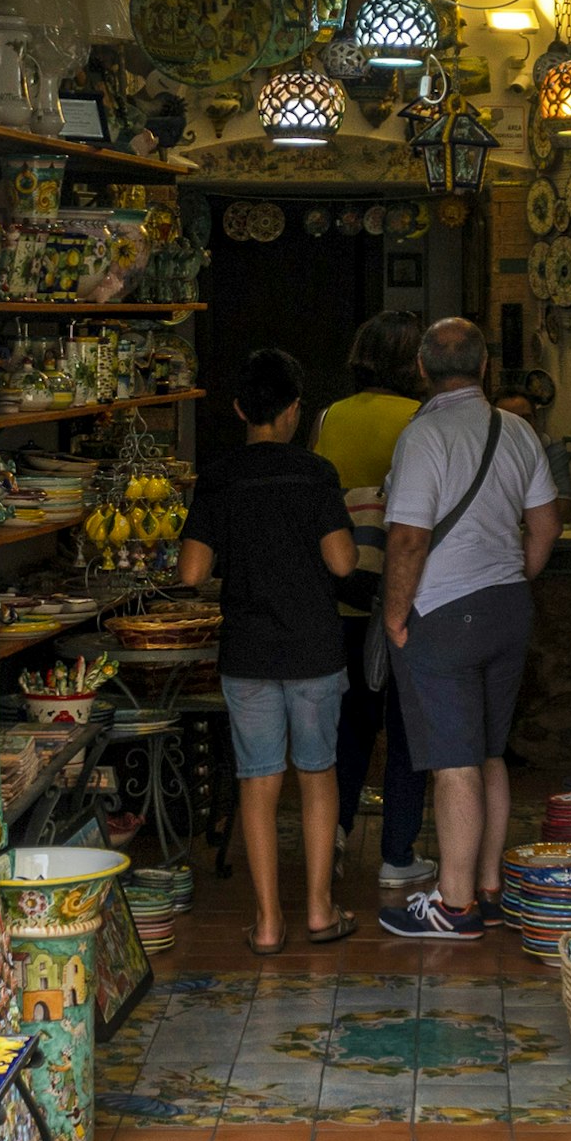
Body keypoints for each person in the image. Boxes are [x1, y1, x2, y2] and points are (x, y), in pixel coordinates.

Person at [378, 318, 559, 940]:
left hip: (446, 613)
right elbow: (545, 526)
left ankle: (454, 907)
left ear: (422, 371)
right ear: (485, 368)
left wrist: (396, 615)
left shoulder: (422, 436)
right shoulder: (518, 432)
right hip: (509, 605)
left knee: (453, 762)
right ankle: (488, 885)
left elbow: (407, 539)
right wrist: (514, 575)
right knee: (489, 751)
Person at [179, 348, 358, 951]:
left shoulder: (220, 478)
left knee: (258, 781)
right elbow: (342, 561)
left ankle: (266, 924)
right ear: (294, 410)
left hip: (248, 651)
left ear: (237, 409)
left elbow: (191, 572)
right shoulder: (316, 473)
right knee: (317, 775)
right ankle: (317, 910)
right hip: (313, 647)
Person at [313, 312, 431, 887]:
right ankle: (397, 853)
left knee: (350, 726)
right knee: (407, 725)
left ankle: (332, 839)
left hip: (343, 590)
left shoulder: (330, 417)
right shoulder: (420, 418)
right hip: (404, 591)